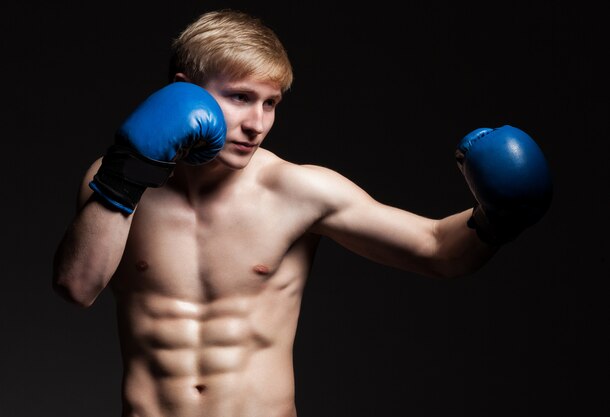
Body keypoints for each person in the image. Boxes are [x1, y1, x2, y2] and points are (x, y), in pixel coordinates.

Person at [52, 9, 552, 417]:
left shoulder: (297, 189)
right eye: (240, 98)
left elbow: (438, 251)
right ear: (183, 92)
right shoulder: (117, 177)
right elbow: (77, 287)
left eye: (271, 103)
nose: (257, 124)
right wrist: (125, 175)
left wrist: (499, 216)